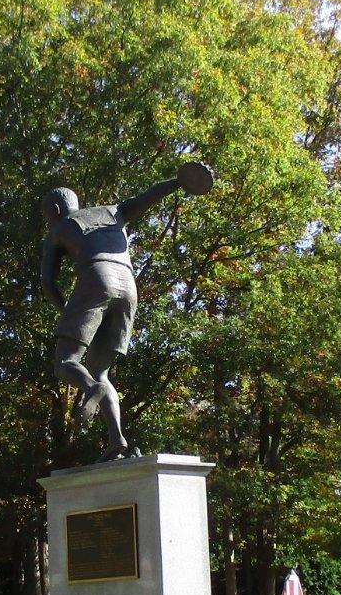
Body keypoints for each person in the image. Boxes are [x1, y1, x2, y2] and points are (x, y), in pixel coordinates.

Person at [39, 161, 214, 459]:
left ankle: (90, 388)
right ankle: (117, 439)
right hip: (129, 288)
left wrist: (67, 312)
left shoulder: (59, 229)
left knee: (65, 362)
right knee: (101, 371)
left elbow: (48, 282)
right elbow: (148, 196)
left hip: (96, 278)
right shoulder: (112, 211)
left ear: (55, 211)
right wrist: (179, 181)